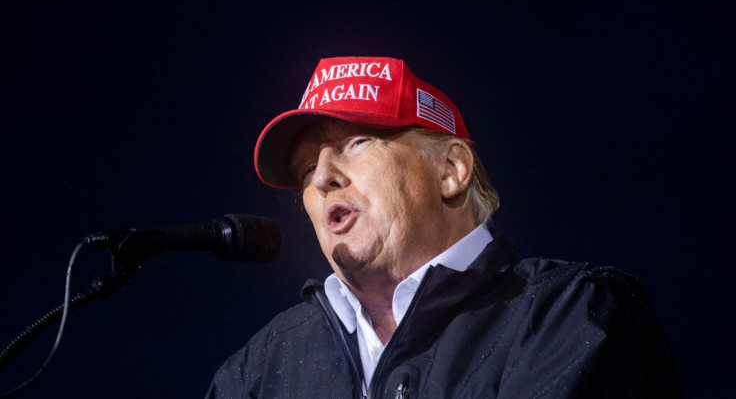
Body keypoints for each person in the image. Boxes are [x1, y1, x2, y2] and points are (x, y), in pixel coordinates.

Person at [207, 57, 682, 398]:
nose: (324, 176)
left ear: (451, 170)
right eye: (306, 167)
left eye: (357, 142)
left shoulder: (572, 315)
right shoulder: (258, 369)